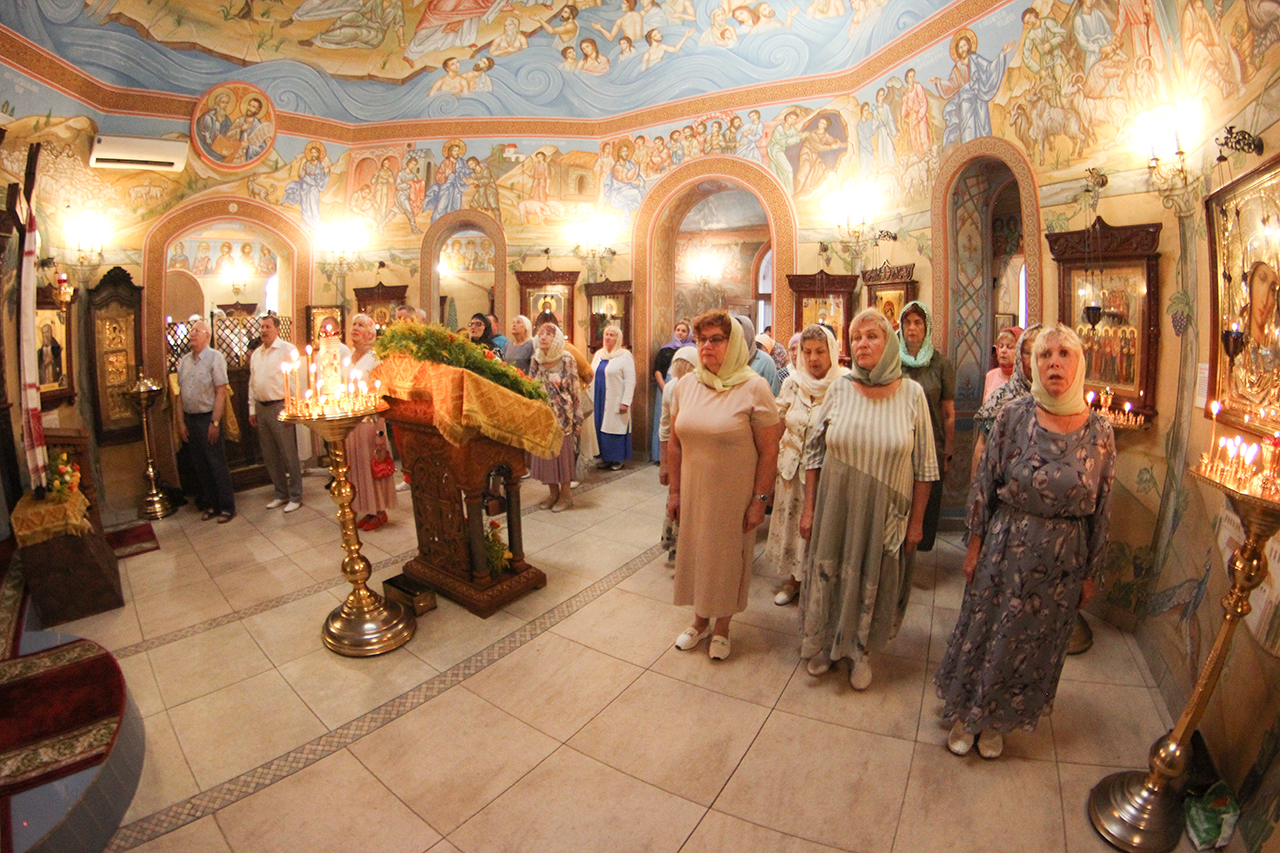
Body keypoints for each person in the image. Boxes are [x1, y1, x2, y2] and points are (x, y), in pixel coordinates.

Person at [934, 324, 1114, 759]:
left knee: (1029, 641)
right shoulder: (1014, 414)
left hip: (1062, 561)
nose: (1055, 363)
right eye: (1046, 355)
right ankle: (967, 713)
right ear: (1032, 363)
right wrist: (974, 546)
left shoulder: (1100, 431)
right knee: (987, 629)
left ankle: (997, 719)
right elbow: (985, 483)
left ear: (1079, 364)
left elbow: (1103, 507)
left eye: (1065, 354)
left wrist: (1091, 573)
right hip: (1006, 544)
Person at [798, 309, 937, 689]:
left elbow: (925, 467)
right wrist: (809, 509)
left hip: (885, 512)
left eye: (872, 336)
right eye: (856, 337)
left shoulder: (912, 394)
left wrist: (916, 524)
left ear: (889, 343)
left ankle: (861, 652)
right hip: (837, 507)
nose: (862, 344)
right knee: (831, 574)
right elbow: (813, 452)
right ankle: (827, 644)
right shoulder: (839, 388)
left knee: (873, 579)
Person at [667, 312, 780, 660]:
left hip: (734, 494)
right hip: (694, 490)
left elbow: (770, 450)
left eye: (716, 339)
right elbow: (674, 443)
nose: (706, 346)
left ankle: (722, 627)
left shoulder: (754, 387)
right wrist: (675, 491)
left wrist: (760, 500)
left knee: (727, 559)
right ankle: (699, 621)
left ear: (734, 345)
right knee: (696, 554)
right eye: (701, 339)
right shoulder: (687, 385)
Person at [767, 324, 848, 606]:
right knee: (793, 528)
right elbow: (778, 422)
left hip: (825, 476)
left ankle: (820, 584)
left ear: (832, 352)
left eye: (820, 352)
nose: (813, 358)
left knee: (821, 531)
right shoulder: (792, 382)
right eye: (807, 351)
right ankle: (794, 581)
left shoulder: (844, 385)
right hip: (790, 472)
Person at [898, 301, 956, 553]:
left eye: (918, 323)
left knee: (926, 506)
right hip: (900, 442)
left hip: (932, 443)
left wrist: (947, 452)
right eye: (907, 323)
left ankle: (917, 556)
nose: (912, 328)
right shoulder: (893, 362)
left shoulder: (940, 364)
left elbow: (948, 413)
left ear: (927, 327)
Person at [176, 320, 237, 523]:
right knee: (200, 464)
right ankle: (212, 504)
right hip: (190, 419)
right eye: (191, 330)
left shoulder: (214, 358)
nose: (192, 334)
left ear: (207, 336)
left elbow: (221, 392)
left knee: (216, 463)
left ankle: (227, 506)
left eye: (197, 331)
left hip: (207, 418)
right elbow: (179, 395)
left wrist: (215, 422)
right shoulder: (184, 361)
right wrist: (181, 423)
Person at [346, 314, 397, 531]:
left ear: (370, 332)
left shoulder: (375, 358)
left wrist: (380, 429)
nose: (355, 328)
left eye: (361, 325)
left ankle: (380, 511)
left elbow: (382, 394)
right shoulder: (349, 358)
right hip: (352, 421)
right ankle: (367, 508)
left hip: (370, 421)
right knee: (358, 467)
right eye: (354, 324)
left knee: (373, 464)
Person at [248, 315, 303, 512]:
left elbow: (294, 382)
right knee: (270, 454)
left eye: (267, 327)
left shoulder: (287, 350)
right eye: (262, 327)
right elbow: (252, 382)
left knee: (288, 453)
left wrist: (292, 409)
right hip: (262, 407)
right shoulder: (256, 354)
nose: (263, 330)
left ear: (277, 329)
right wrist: (252, 409)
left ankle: (296, 495)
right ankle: (281, 493)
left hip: (281, 406)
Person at [973, 324, 1040, 476]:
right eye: (1027, 353)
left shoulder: (1056, 400)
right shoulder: (1002, 394)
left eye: (1041, 354)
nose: (1034, 360)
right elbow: (981, 447)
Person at [528, 323, 582, 512]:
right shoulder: (536, 358)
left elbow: (575, 389)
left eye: (549, 334)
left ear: (557, 338)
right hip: (542, 416)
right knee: (546, 456)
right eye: (541, 334)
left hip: (562, 416)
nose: (543, 337)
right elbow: (529, 384)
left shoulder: (566, 358)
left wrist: (578, 418)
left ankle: (566, 495)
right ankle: (553, 493)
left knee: (562, 455)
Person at [658, 346, 698, 564]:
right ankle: (677, 549)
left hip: (696, 455)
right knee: (677, 499)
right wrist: (664, 464)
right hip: (678, 454)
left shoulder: (702, 388)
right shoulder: (672, 388)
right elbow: (665, 429)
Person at [591, 325, 635, 470]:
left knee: (614, 428)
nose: (608, 338)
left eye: (612, 335)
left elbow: (630, 381)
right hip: (598, 398)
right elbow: (591, 374)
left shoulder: (625, 356)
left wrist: (626, 401)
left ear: (618, 338)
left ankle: (617, 459)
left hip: (615, 399)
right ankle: (605, 458)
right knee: (600, 427)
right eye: (606, 334)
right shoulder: (599, 354)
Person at [651, 320, 692, 462]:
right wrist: (665, 388)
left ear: (688, 333)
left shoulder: (691, 350)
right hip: (665, 389)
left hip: (685, 390)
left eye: (683, 331)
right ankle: (659, 456)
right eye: (678, 330)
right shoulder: (665, 350)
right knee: (663, 421)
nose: (680, 333)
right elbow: (657, 370)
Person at [736, 315, 779, 395]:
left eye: (740, 333)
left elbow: (773, 394)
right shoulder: (727, 360)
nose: (737, 337)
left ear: (749, 334)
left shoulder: (765, 362)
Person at [983, 325, 1023, 402]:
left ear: (1020, 351)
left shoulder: (1025, 379)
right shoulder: (990, 376)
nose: (1003, 350)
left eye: (1009, 347)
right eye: (1001, 346)